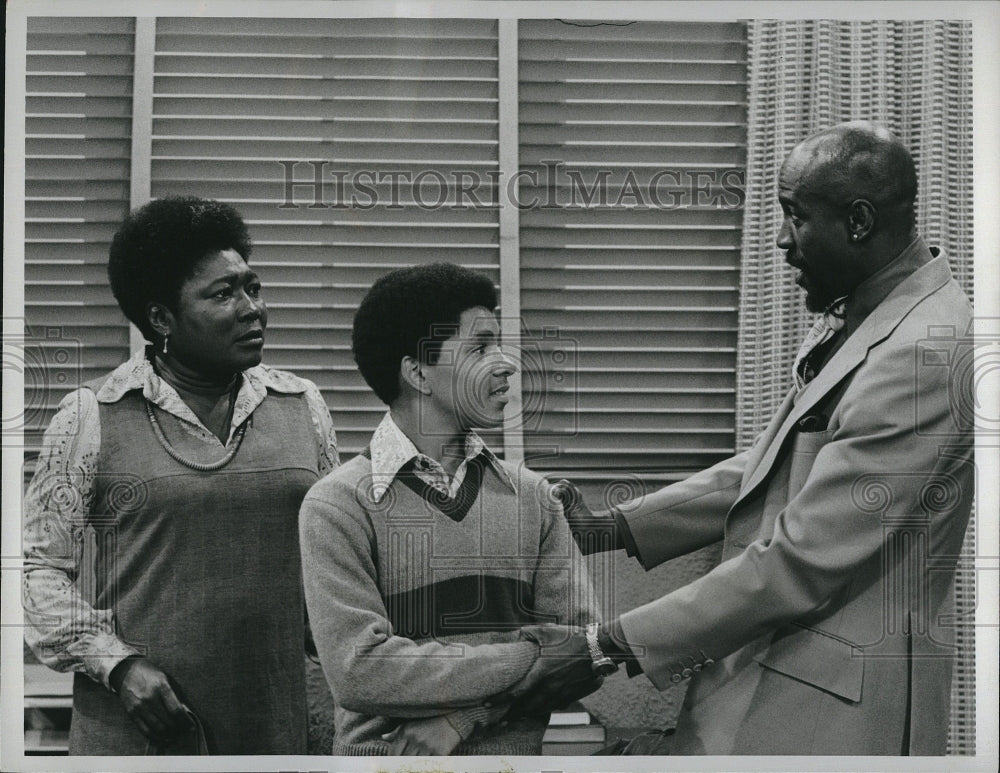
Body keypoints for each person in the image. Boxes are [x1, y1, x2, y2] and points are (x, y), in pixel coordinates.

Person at [535, 122, 976, 755]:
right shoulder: (867, 311)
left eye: (794, 216)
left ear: (857, 221)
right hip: (782, 675)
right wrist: (615, 528)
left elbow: (803, 557)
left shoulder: (925, 357)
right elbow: (777, 462)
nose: (779, 239)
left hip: (837, 712)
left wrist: (609, 647)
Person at [22, 196, 338, 754]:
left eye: (252, 287)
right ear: (161, 318)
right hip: (142, 732)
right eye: (222, 294)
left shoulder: (303, 404)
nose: (251, 309)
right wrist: (119, 667)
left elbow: (336, 561)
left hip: (279, 725)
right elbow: (36, 571)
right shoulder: (91, 415)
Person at [299, 262, 603, 756]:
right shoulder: (337, 505)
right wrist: (534, 655)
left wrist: (467, 717)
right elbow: (361, 672)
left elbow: (585, 655)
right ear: (418, 371)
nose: (507, 364)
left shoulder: (534, 498)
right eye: (481, 348)